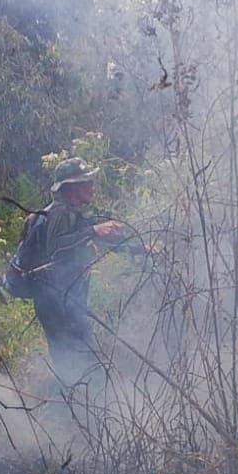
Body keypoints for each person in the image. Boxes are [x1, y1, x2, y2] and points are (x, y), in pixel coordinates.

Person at [23, 158, 147, 391]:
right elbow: (56, 249)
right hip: (56, 303)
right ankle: (71, 411)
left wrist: (141, 248)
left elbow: (104, 238)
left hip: (67, 300)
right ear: (72, 188)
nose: (92, 187)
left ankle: (76, 407)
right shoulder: (59, 213)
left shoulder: (75, 212)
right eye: (86, 182)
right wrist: (92, 231)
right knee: (77, 360)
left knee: (81, 358)